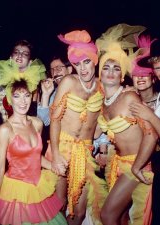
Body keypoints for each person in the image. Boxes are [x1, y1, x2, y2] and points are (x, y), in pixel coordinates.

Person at [95, 24, 158, 225]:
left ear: (122, 75)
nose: (111, 72)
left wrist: (138, 166)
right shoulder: (104, 103)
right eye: (106, 67)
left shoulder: (130, 97)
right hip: (118, 164)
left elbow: (151, 134)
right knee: (121, 218)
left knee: (107, 215)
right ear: (100, 74)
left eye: (116, 68)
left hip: (136, 164)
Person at [0, 78, 67, 225]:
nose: (23, 102)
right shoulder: (5, 130)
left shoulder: (37, 123)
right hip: (16, 191)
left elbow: (35, 156)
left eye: (27, 95)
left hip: (38, 187)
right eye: (17, 96)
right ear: (10, 100)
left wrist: (54, 165)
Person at [50, 30, 108, 225]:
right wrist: (56, 154)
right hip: (63, 148)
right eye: (76, 63)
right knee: (58, 205)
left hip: (84, 152)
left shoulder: (102, 87)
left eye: (86, 62)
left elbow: (100, 124)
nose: (82, 68)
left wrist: (102, 147)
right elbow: (55, 119)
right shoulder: (68, 82)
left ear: (95, 60)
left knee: (79, 211)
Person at [129, 35, 160, 225]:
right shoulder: (127, 98)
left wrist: (149, 115)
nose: (140, 78)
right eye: (157, 67)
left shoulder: (155, 103)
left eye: (144, 73)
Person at [0, 39, 46, 121]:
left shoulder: (35, 82)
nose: (20, 55)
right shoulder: (3, 80)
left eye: (25, 54)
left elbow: (38, 115)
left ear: (30, 62)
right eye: (16, 52)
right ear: (11, 58)